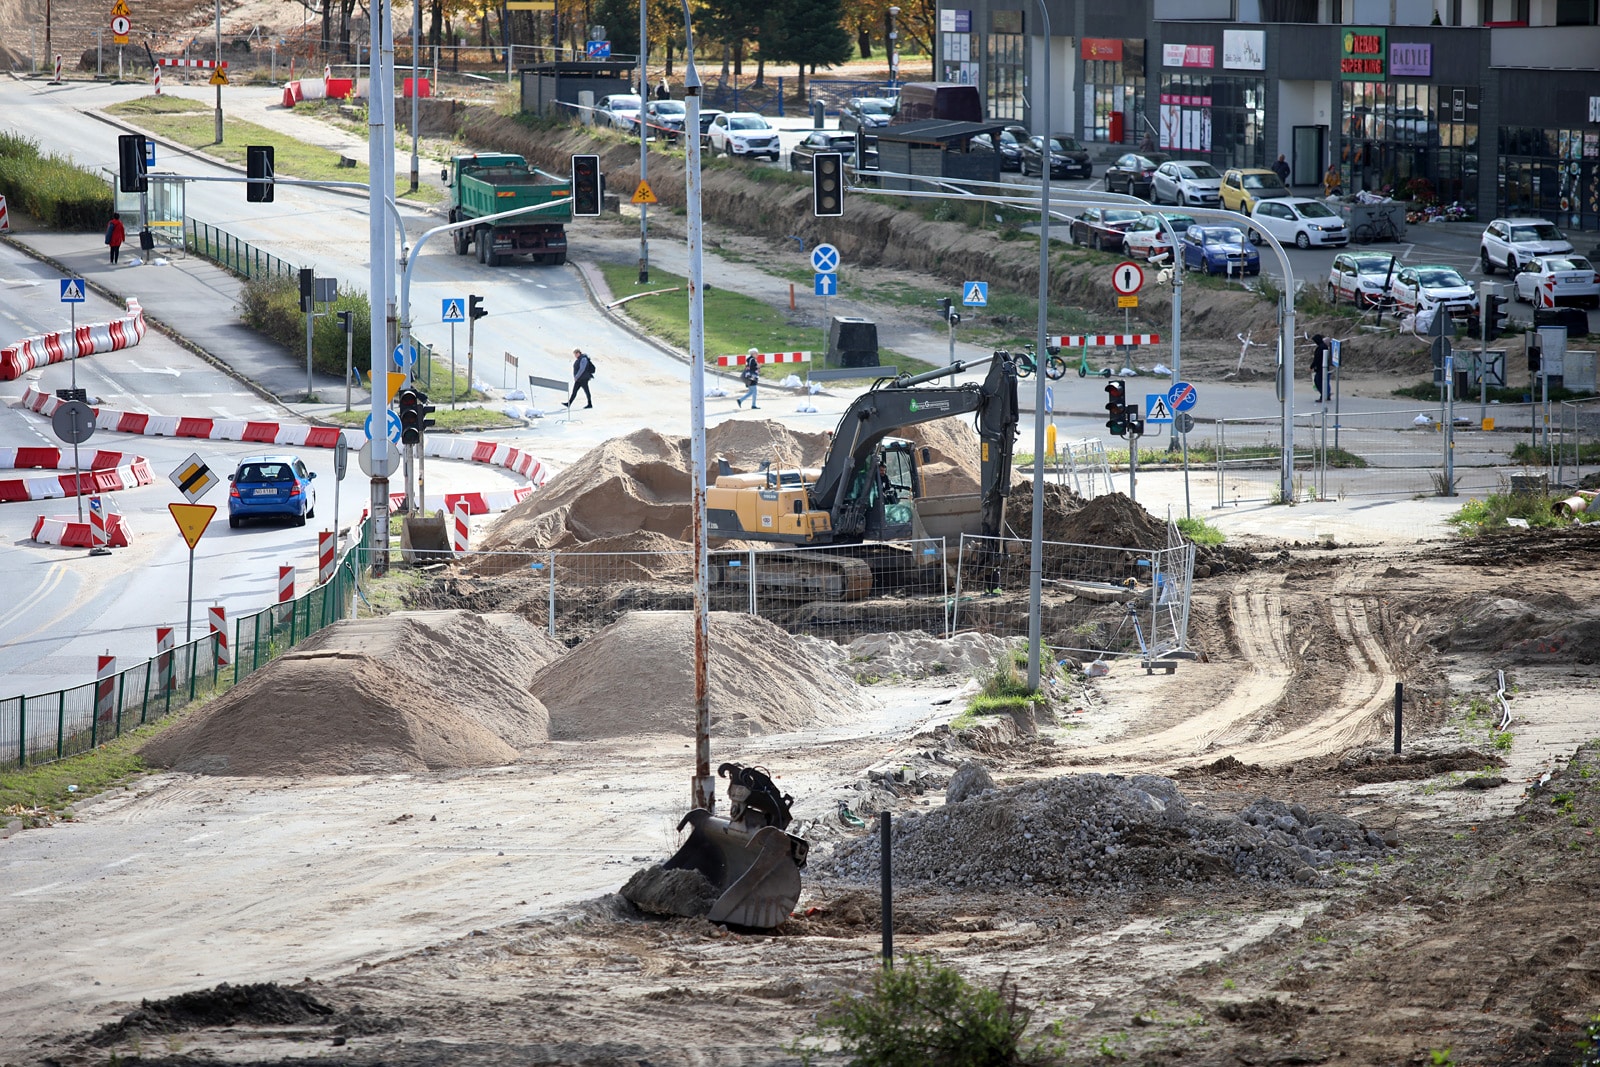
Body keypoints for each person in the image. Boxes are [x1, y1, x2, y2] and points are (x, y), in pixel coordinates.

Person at [1310, 333, 1330, 402]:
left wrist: (1312, 366)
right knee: (1322, 382)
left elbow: (1317, 359)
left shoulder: (1320, 348)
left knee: (1318, 382)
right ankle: (1325, 395)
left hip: (1320, 368)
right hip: (1324, 367)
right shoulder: (1324, 346)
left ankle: (1323, 396)